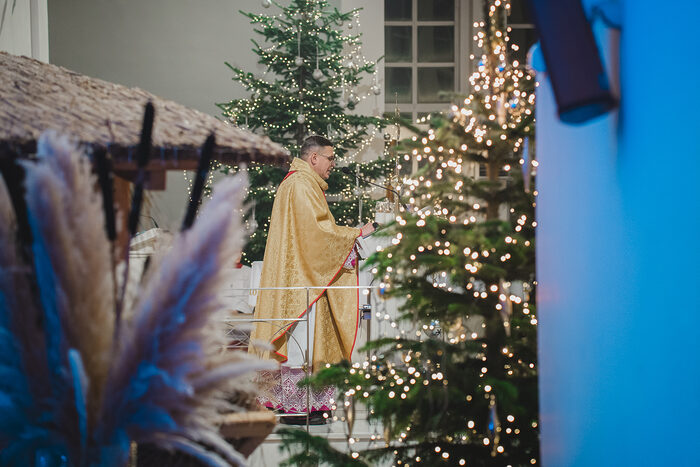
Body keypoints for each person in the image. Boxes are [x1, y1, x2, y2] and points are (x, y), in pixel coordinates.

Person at [249, 135, 375, 424]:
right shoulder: (300, 184)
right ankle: (297, 408)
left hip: (304, 273)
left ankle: (309, 404)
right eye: (330, 158)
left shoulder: (301, 183)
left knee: (307, 342)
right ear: (313, 158)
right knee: (300, 343)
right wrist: (357, 233)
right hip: (301, 280)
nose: (334, 164)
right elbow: (317, 234)